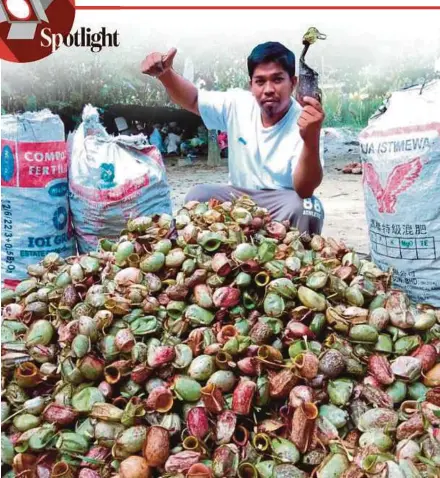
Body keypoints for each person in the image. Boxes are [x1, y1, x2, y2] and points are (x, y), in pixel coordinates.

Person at [141, 42, 325, 234]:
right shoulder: (238, 104)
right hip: (238, 198)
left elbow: (304, 190)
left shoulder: (307, 120)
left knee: (308, 208)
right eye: (260, 81)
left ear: (293, 83)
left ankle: (296, 261)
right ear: (251, 85)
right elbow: (194, 100)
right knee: (197, 196)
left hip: (282, 202)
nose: (268, 89)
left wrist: (310, 138)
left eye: (277, 79)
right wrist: (165, 74)